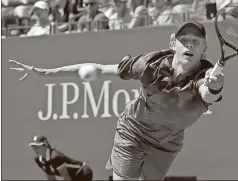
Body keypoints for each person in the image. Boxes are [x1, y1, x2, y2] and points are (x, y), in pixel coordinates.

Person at [10, 20, 224, 180]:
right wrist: (45, 73)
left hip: (169, 141)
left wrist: (214, 85)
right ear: (172, 44)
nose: (189, 46)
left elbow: (207, 94)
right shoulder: (149, 65)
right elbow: (99, 69)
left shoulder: (206, 75)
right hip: (133, 131)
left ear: (204, 48)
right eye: (184, 41)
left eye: (196, 42)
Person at [29, 135, 93, 181]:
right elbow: (50, 176)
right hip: (72, 176)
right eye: (33, 146)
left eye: (38, 146)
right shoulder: (38, 160)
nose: (35, 149)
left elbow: (66, 177)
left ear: (45, 145)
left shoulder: (56, 157)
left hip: (82, 172)